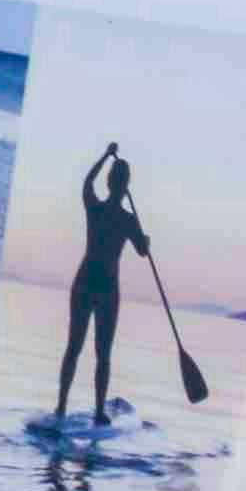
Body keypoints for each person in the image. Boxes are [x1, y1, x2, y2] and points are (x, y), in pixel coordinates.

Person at [59, 139, 148, 423]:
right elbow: (143, 251)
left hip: (87, 282)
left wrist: (104, 156)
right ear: (125, 186)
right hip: (106, 287)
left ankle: (62, 406)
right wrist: (145, 240)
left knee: (75, 347)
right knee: (102, 354)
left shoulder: (96, 209)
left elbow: (86, 183)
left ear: (110, 183)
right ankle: (97, 411)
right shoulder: (127, 220)